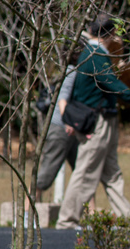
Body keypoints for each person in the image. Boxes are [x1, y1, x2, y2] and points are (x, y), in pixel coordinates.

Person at [55, 14, 130, 229]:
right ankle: (67, 220)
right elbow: (111, 84)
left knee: (112, 174)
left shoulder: (91, 53)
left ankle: (129, 220)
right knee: (86, 171)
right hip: (97, 121)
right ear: (109, 34)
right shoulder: (96, 55)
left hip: (102, 119)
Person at [35, 65, 79, 203]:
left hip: (76, 130)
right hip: (61, 128)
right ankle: (25, 214)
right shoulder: (71, 71)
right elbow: (62, 98)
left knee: (85, 174)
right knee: (45, 177)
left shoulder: (86, 70)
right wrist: (67, 121)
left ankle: (90, 218)